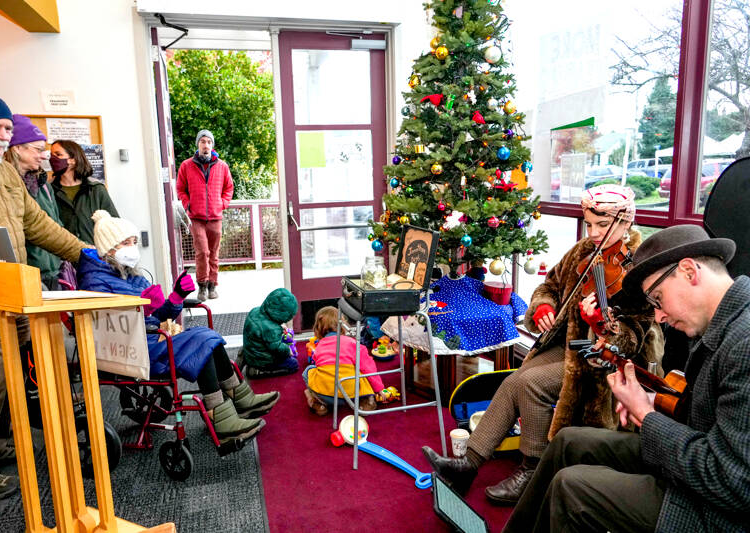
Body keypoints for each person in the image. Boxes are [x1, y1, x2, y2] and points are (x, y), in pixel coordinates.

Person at [422, 184, 664, 504]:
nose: (592, 233)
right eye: (589, 223)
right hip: (568, 344)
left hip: (602, 360)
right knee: (513, 381)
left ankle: (533, 470)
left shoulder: (638, 267)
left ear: (626, 222)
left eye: (602, 226)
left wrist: (602, 325)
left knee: (531, 383)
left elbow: (634, 337)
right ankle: (468, 464)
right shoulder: (582, 251)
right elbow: (548, 286)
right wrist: (544, 308)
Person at [504, 224, 750, 533]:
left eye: (658, 298)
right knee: (568, 441)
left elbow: (732, 482)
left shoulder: (744, 343)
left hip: (715, 512)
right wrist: (652, 404)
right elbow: (715, 419)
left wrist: (646, 417)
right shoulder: (724, 322)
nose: (659, 316)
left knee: (572, 487)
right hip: (696, 468)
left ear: (689, 272)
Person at [0, 88, 87, 500]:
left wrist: (84, 253)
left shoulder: (3, 170)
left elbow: (36, 222)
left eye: (8, 128)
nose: (4, 135)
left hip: (12, 293)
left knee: (18, 371)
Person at [77, 210, 279, 448]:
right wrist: (141, 309)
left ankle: (238, 399)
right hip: (133, 346)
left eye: (133, 242)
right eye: (125, 243)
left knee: (208, 338)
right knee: (202, 342)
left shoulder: (131, 275)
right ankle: (222, 416)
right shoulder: (94, 281)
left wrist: (176, 296)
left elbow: (161, 314)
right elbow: (108, 323)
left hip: (151, 337)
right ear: (109, 249)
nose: (132, 248)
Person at [4, 114, 63, 289]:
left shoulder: (43, 184)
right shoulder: (2, 185)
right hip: (25, 277)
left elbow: (56, 225)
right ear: (17, 149)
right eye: (38, 149)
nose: (44, 156)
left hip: (54, 275)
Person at [176, 129, 234, 301]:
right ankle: (202, 285)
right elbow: (180, 189)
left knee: (214, 253)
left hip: (216, 217)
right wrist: (188, 205)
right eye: (203, 142)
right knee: (202, 252)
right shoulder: (186, 165)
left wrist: (222, 204)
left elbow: (229, 188)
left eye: (209, 142)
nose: (206, 145)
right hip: (196, 217)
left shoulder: (222, 166)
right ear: (198, 145)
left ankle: (212, 285)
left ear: (212, 145)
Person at [302, 306, 387, 416]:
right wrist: (379, 388)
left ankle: (318, 403)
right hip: (352, 395)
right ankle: (366, 403)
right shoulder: (352, 343)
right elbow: (368, 367)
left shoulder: (319, 346)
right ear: (343, 324)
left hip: (328, 396)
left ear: (318, 327)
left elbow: (319, 366)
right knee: (361, 370)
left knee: (309, 370)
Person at [50, 139, 119, 245]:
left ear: (73, 160)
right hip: (62, 256)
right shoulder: (49, 190)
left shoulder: (96, 189)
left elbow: (114, 225)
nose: (53, 159)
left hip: (94, 254)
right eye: (51, 155)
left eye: (58, 154)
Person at [241, 288, 299, 378]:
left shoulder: (255, 311)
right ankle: (258, 371)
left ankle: (245, 358)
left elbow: (263, 326)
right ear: (282, 315)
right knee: (293, 364)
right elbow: (276, 348)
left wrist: (279, 327)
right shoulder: (271, 329)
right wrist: (288, 350)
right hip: (262, 360)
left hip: (251, 350)